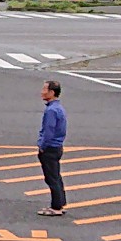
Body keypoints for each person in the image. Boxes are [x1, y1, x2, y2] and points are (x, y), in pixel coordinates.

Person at [37, 80, 68, 216]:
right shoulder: (58, 108)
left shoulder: (51, 110)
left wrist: (42, 146)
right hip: (57, 147)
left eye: (44, 89)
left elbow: (48, 131)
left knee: (51, 178)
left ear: (52, 92)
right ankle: (60, 203)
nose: (42, 92)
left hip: (50, 148)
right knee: (56, 176)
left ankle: (56, 207)